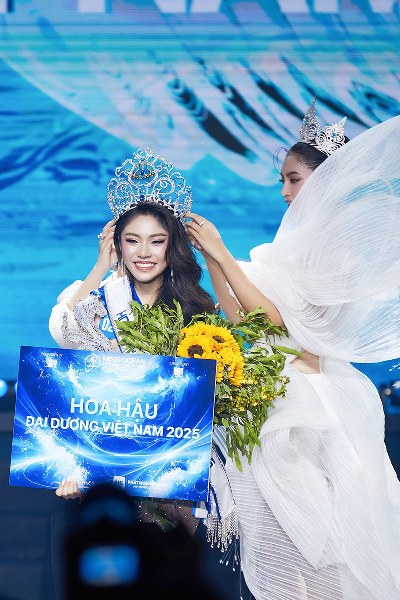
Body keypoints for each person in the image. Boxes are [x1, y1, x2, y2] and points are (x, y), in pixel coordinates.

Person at [185, 100, 400, 599]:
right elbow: (243, 321)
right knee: (282, 536)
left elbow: (281, 322)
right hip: (275, 395)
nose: (285, 191)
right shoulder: (293, 245)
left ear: (327, 181)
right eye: (282, 180)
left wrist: (223, 253)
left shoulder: (341, 247)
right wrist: (214, 262)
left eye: (295, 179)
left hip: (315, 404)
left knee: (325, 535)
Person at [49, 149, 214, 526]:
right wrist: (99, 267)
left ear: (172, 246)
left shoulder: (194, 307)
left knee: (171, 563)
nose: (143, 253)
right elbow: (63, 331)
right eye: (131, 240)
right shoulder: (101, 299)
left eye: (156, 241)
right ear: (117, 244)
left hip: (168, 475)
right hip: (102, 468)